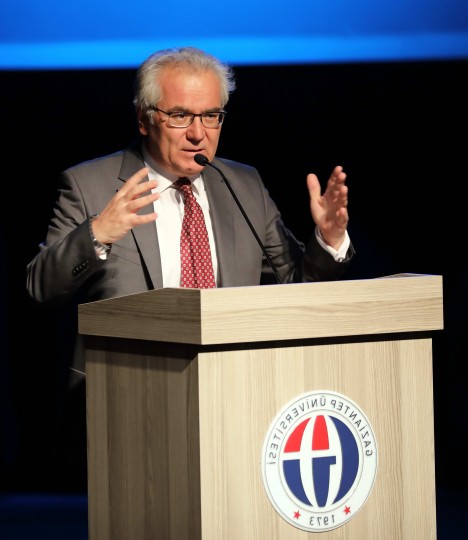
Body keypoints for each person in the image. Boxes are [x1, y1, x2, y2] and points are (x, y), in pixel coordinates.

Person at [25, 46, 354, 491]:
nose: (198, 133)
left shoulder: (244, 185)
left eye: (211, 116)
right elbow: (40, 287)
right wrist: (98, 233)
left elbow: (295, 285)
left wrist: (328, 240)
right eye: (180, 115)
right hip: (129, 408)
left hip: (238, 405)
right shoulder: (90, 186)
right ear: (144, 119)